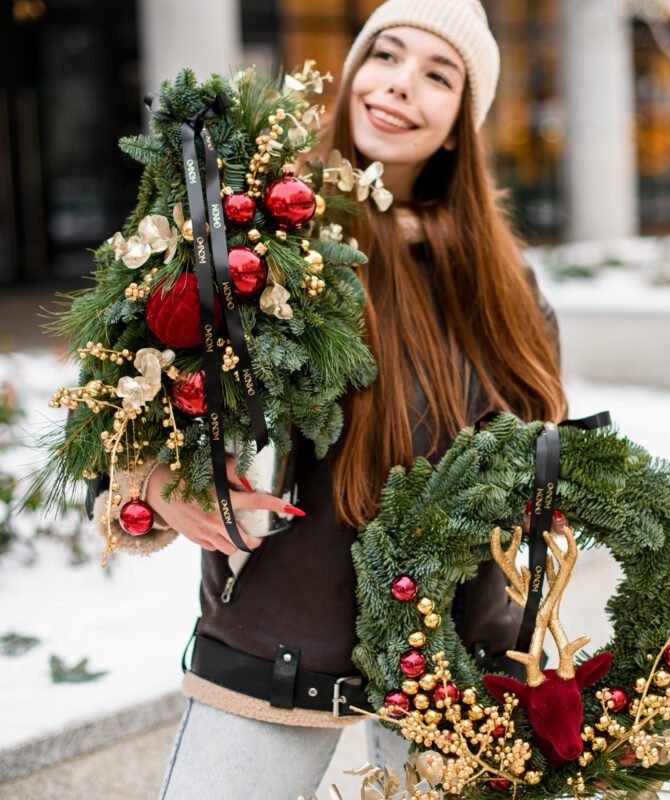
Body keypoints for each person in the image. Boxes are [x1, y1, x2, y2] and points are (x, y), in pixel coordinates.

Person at [93, 1, 567, 797]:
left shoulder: (504, 286)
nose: (401, 84)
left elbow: (546, 454)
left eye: (438, 75)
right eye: (385, 55)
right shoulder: (254, 240)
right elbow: (115, 419)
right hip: (272, 646)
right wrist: (157, 485)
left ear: (461, 124)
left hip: (458, 667)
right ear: (351, 75)